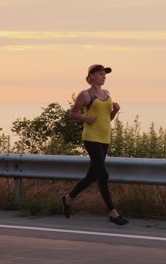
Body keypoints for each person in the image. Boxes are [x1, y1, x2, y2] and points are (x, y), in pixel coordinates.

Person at [61, 64, 128, 225]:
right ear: (91, 76)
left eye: (105, 74)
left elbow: (107, 119)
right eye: (100, 74)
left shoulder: (107, 93)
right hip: (91, 137)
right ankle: (113, 212)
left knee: (92, 175)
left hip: (105, 137)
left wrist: (115, 110)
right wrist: (86, 119)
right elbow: (72, 113)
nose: (103, 76)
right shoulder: (85, 94)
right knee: (103, 174)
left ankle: (68, 199)